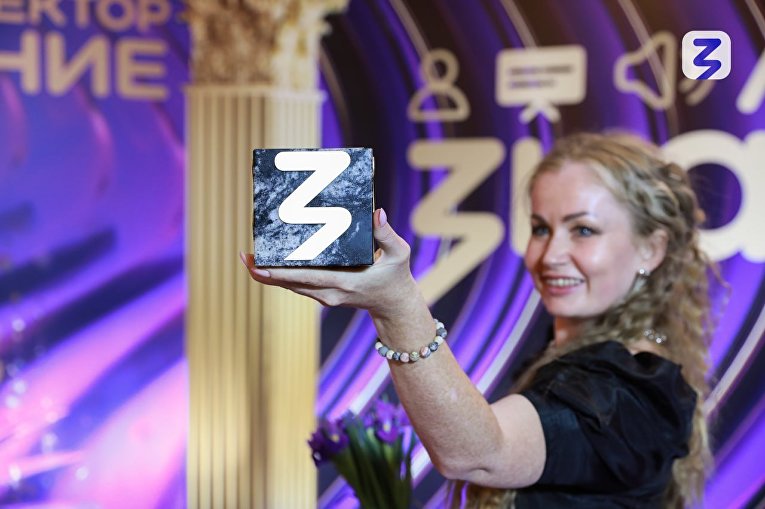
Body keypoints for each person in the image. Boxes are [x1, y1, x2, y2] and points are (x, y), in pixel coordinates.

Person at [240, 132, 715, 508]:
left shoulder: (628, 391)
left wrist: (398, 306)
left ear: (651, 249)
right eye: (541, 228)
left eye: (583, 230)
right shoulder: (567, 360)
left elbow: (479, 455)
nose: (551, 254)